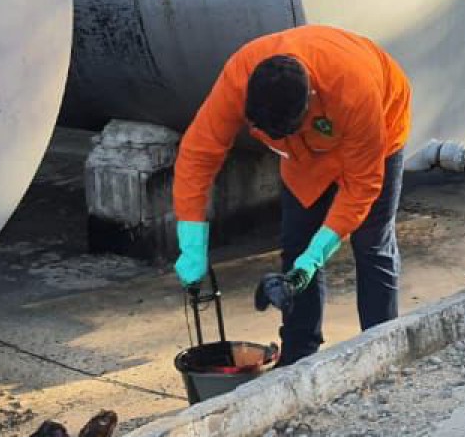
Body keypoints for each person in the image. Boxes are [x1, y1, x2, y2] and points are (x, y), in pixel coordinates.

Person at [172, 26, 411, 365]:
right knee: (296, 241)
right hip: (303, 153)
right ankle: (299, 355)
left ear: (309, 101)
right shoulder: (240, 76)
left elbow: (361, 188)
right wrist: (191, 239)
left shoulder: (354, 90)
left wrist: (316, 257)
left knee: (372, 242)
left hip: (377, 133)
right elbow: (199, 152)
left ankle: (382, 349)